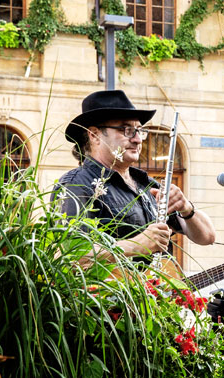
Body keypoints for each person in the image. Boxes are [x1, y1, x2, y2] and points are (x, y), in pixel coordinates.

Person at [56, 90, 215, 257]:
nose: (138, 139)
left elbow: (208, 237)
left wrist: (186, 208)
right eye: (126, 130)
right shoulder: (76, 185)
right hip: (114, 283)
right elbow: (67, 255)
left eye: (139, 130)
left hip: (160, 283)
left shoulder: (148, 185)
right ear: (95, 135)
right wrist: (138, 245)